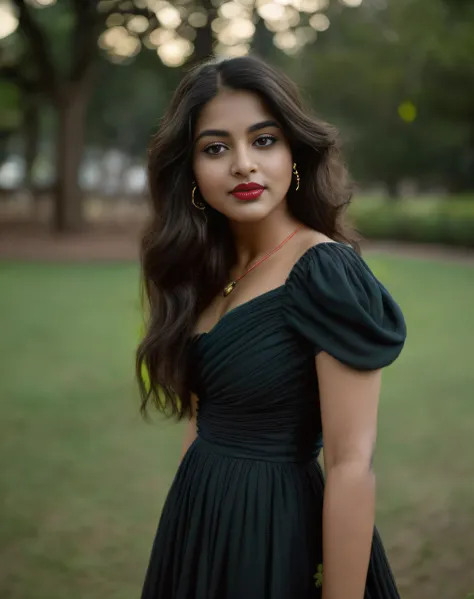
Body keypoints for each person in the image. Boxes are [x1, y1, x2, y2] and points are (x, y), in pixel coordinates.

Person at [136, 55, 407, 599]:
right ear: (188, 169)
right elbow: (200, 419)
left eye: (263, 140)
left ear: (293, 152)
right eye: (216, 148)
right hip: (199, 523)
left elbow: (351, 463)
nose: (243, 165)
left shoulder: (325, 271)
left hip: (277, 531)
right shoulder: (206, 271)